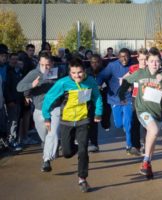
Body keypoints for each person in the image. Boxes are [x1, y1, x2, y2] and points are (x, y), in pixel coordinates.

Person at [42, 58, 102, 192]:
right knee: (67, 152)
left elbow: (97, 96)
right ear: (70, 72)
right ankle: (75, 147)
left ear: (84, 71)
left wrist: (98, 112)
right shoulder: (63, 83)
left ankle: (82, 179)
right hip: (66, 121)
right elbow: (49, 98)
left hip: (83, 120)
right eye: (74, 73)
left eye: (79, 72)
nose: (77, 76)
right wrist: (47, 116)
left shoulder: (90, 82)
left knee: (83, 150)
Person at [118, 47, 162, 179]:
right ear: (147, 62)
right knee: (154, 130)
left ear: (161, 62)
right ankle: (145, 162)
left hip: (157, 113)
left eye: (157, 61)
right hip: (142, 110)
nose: (154, 64)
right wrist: (121, 94)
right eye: (152, 61)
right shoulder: (140, 73)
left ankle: (148, 164)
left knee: (153, 137)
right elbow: (126, 81)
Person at [17, 52, 65, 172]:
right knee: (45, 137)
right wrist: (31, 85)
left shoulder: (58, 73)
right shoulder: (33, 73)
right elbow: (19, 87)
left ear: (52, 63)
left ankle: (46, 161)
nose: (45, 67)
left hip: (55, 108)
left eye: (48, 65)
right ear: (39, 63)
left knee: (52, 133)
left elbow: (66, 86)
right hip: (39, 109)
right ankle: (51, 145)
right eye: (42, 64)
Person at [97, 48, 139, 155]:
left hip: (129, 98)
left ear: (130, 57)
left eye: (126, 56)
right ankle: (124, 126)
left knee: (128, 123)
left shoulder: (134, 66)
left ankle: (129, 146)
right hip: (115, 99)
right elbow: (102, 76)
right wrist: (99, 84)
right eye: (121, 56)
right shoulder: (112, 66)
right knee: (119, 124)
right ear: (118, 57)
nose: (124, 58)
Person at [121, 48, 149, 153]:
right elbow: (124, 78)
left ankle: (146, 145)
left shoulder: (151, 68)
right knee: (135, 122)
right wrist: (127, 87)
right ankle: (136, 146)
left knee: (146, 123)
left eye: (146, 59)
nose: (144, 62)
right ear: (137, 58)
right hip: (136, 98)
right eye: (141, 59)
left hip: (148, 99)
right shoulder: (133, 68)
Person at [4, 53, 24, 151]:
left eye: (16, 59)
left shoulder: (18, 71)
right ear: (9, 59)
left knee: (16, 121)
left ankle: (13, 140)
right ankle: (11, 141)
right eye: (13, 59)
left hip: (18, 100)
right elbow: (6, 88)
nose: (15, 61)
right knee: (12, 122)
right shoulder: (8, 72)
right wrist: (10, 100)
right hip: (11, 101)